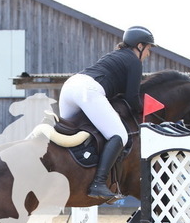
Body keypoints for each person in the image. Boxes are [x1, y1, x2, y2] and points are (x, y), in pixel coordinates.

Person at [59, 26, 155, 199]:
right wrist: (143, 110)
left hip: (69, 87)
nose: (148, 54)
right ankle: (98, 183)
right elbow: (132, 98)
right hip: (88, 91)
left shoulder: (114, 56)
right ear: (140, 46)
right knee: (119, 135)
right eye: (148, 48)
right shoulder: (134, 61)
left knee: (66, 133)